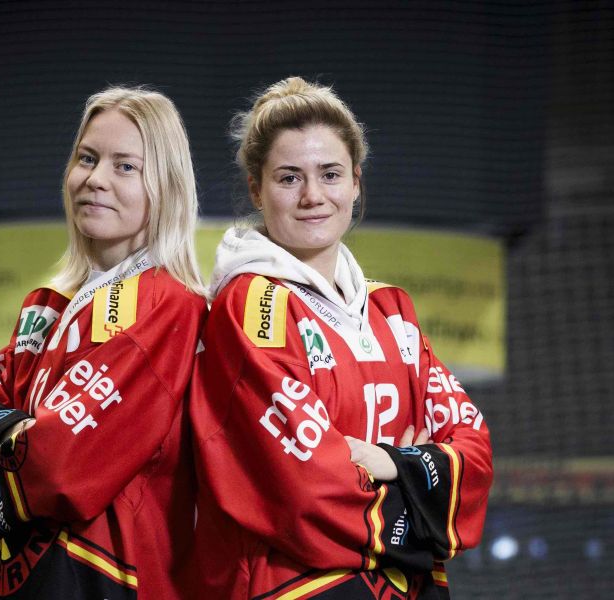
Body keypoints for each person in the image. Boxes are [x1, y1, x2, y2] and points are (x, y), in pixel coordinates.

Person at [189, 77, 493, 599]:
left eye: (330, 174)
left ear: (355, 181)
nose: (313, 196)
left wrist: (392, 464)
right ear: (256, 189)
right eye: (289, 178)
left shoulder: (390, 307)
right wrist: (419, 501)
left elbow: (476, 451)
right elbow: (303, 491)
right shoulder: (251, 305)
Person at [0, 86, 207, 599]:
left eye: (125, 166)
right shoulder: (43, 303)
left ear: (167, 187)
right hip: (17, 578)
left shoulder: (170, 304)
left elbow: (58, 469)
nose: (95, 179)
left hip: (115, 579)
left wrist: (14, 436)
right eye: (87, 158)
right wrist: (15, 439)